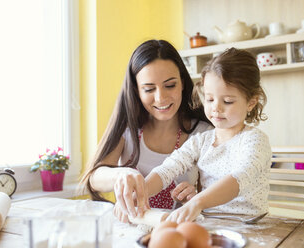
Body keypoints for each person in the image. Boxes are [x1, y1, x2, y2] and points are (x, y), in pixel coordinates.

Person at [80, 39, 212, 222]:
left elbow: (219, 191)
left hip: (179, 232)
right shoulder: (128, 129)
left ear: (182, 82)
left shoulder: (203, 133)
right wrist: (122, 174)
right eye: (149, 89)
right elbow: (94, 178)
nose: (161, 98)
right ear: (136, 91)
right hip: (130, 233)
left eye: (170, 85)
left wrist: (197, 196)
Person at [141, 47, 272, 223]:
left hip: (251, 224)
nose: (215, 108)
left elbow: (239, 178)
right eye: (210, 99)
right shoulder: (202, 141)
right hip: (210, 223)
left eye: (227, 101)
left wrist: (197, 201)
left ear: (251, 102)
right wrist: (140, 194)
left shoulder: (254, 140)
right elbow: (168, 169)